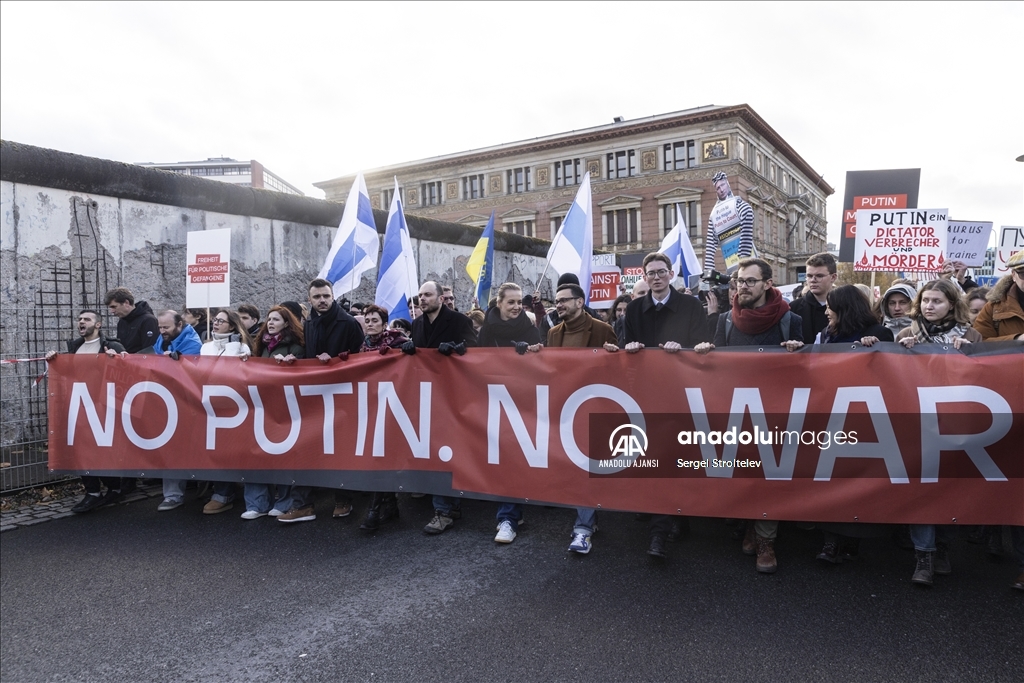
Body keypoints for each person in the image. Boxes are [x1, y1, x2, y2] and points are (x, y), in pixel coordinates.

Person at [694, 258, 803, 573]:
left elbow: (804, 370)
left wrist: (798, 352)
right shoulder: (727, 321)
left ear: (768, 284)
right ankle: (750, 526)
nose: (743, 286)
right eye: (740, 281)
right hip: (737, 412)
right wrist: (706, 354)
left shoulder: (789, 320)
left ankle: (767, 539)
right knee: (743, 472)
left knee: (769, 475)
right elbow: (719, 366)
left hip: (775, 412)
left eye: (750, 281)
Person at [616, 252, 711, 560]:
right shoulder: (634, 309)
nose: (656, 277)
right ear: (644, 277)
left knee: (677, 460)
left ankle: (672, 522)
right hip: (648, 397)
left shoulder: (690, 306)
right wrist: (629, 349)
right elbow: (629, 347)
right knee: (659, 461)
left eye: (661, 272)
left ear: (671, 275)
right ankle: (663, 528)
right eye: (650, 273)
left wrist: (682, 350)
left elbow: (703, 347)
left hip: (684, 395)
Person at [896, 279, 982, 586]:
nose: (930, 306)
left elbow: (982, 379)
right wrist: (900, 353)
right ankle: (924, 555)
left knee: (948, 488)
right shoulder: (907, 334)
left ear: (951, 305)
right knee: (920, 489)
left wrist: (972, 355)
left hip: (954, 424)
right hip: (916, 423)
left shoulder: (970, 335)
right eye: (927, 301)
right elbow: (888, 378)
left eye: (938, 301)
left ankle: (943, 546)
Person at [278, 279, 366, 523]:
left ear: (333, 295)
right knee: (305, 447)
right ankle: (303, 505)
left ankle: (343, 498)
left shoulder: (348, 323)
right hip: (314, 398)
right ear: (310, 300)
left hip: (342, 398)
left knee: (340, 450)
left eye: (326, 296)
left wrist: (338, 360)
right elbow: (308, 356)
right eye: (317, 297)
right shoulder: (309, 324)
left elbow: (363, 360)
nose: (322, 300)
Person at [545, 283, 618, 554]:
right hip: (565, 409)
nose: (559, 304)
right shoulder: (553, 333)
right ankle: (590, 516)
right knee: (576, 470)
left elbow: (618, 373)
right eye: (557, 300)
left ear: (580, 302)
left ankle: (583, 529)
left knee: (585, 470)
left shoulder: (601, 330)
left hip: (594, 409)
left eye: (565, 300)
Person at [476, 283, 542, 544]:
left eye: (519, 303)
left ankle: (511, 514)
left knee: (517, 458)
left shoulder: (530, 328)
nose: (517, 307)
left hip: (526, 401)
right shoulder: (487, 330)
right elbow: (478, 362)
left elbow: (545, 364)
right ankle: (508, 518)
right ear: (499, 304)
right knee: (506, 458)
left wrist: (532, 354)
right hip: (496, 400)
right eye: (511, 302)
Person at [411, 281, 478, 535]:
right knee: (434, 452)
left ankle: (444, 510)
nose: (422, 299)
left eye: (427, 294)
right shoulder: (416, 324)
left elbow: (477, 351)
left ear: (441, 298)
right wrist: (409, 351)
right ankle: (448, 506)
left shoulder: (459, 320)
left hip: (453, 397)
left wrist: (460, 350)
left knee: (445, 453)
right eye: (420, 295)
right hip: (426, 397)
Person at [44, 310, 126, 513]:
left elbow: (128, 371)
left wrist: (116, 360)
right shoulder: (74, 347)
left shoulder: (111, 345)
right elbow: (68, 376)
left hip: (104, 407)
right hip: (79, 407)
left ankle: (115, 488)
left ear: (98, 324)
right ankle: (92, 492)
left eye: (86, 319)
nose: (81, 322)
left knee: (103, 450)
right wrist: (54, 362)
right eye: (79, 319)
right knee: (80, 449)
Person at [241, 305, 307, 520]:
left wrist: (291, 366)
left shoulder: (295, 347)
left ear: (286, 323)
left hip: (284, 409)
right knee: (255, 454)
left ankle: (284, 501)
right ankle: (256, 503)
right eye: (269, 319)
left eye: (276, 319)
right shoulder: (261, 346)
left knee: (283, 455)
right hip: (260, 407)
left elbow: (302, 375)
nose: (270, 323)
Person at [356, 304, 410, 531]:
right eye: (367, 320)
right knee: (377, 456)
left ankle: (374, 510)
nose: (370, 324)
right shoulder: (362, 346)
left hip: (393, 406)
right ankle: (390, 505)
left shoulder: (397, 342)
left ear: (384, 323)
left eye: (374, 320)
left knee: (382, 456)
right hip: (370, 406)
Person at [196, 310, 253, 514]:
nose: (216, 323)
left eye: (221, 321)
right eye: (215, 320)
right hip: (210, 404)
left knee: (231, 449)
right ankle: (222, 490)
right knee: (215, 450)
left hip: (233, 405)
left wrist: (234, 347)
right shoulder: (206, 347)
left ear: (231, 326)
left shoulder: (241, 346)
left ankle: (228, 491)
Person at [152, 310, 204, 511]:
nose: (162, 331)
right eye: (160, 327)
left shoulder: (193, 343)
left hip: (190, 404)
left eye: (166, 327)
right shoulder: (163, 340)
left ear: (179, 325)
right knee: (170, 447)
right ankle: (172, 495)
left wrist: (178, 362)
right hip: (168, 402)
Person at [702, 172, 754, 274]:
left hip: (747, 259)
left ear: (727, 184)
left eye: (722, 185)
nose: (721, 190)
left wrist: (743, 253)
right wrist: (709, 270)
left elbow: (748, 211)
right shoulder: (714, 214)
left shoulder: (736, 203)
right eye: (718, 188)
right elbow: (710, 244)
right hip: (731, 263)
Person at [973, 250, 1024, 342]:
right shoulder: (993, 307)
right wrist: (1017, 339)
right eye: (1023, 274)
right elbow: (979, 343)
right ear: (1013, 275)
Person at [818, 285, 894, 345]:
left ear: (844, 309)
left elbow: (886, 362)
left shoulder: (879, 333)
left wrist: (875, 346)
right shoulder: (826, 334)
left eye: (829, 307)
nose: (826, 312)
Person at [789, 252, 837, 345]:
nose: (813, 280)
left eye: (819, 276)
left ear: (833, 277)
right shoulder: (793, 308)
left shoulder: (846, 306)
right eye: (809, 276)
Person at [104, 286, 159, 354]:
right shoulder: (122, 321)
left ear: (126, 303)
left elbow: (150, 351)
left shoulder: (148, 321)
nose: (111, 311)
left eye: (114, 307)